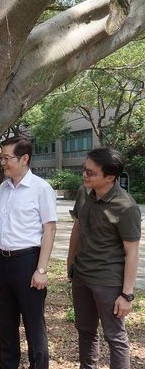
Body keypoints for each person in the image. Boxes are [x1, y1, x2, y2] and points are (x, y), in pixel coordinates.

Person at [0, 135, 57, 369]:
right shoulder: (4, 188)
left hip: (28, 262)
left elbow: (49, 228)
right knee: (6, 325)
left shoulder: (41, 188)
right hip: (3, 262)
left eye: (7, 158)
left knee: (34, 326)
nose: (2, 162)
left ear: (24, 158)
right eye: (1, 157)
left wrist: (41, 269)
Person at [66, 148, 141, 369]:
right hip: (82, 276)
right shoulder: (84, 192)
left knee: (115, 337)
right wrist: (71, 264)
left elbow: (132, 252)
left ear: (110, 177)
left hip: (108, 282)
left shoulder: (126, 207)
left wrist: (127, 295)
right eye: (84, 170)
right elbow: (77, 228)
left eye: (91, 173)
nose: (84, 175)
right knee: (86, 331)